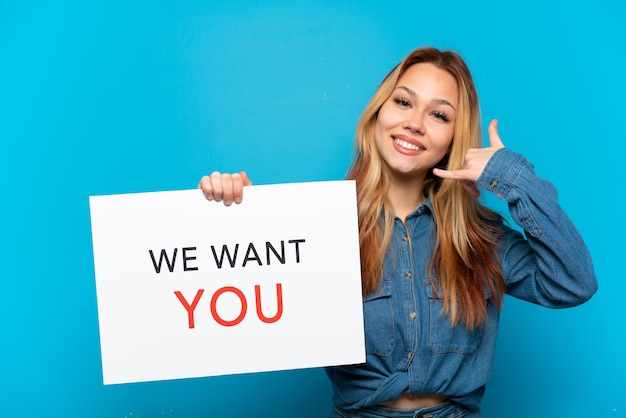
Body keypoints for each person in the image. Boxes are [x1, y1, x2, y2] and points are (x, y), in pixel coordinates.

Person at [198, 46, 597, 418]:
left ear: (453, 140)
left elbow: (573, 283)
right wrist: (233, 217)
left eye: (439, 115)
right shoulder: (316, 226)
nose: (414, 123)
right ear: (378, 113)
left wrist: (510, 177)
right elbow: (246, 301)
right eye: (404, 102)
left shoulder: (482, 238)